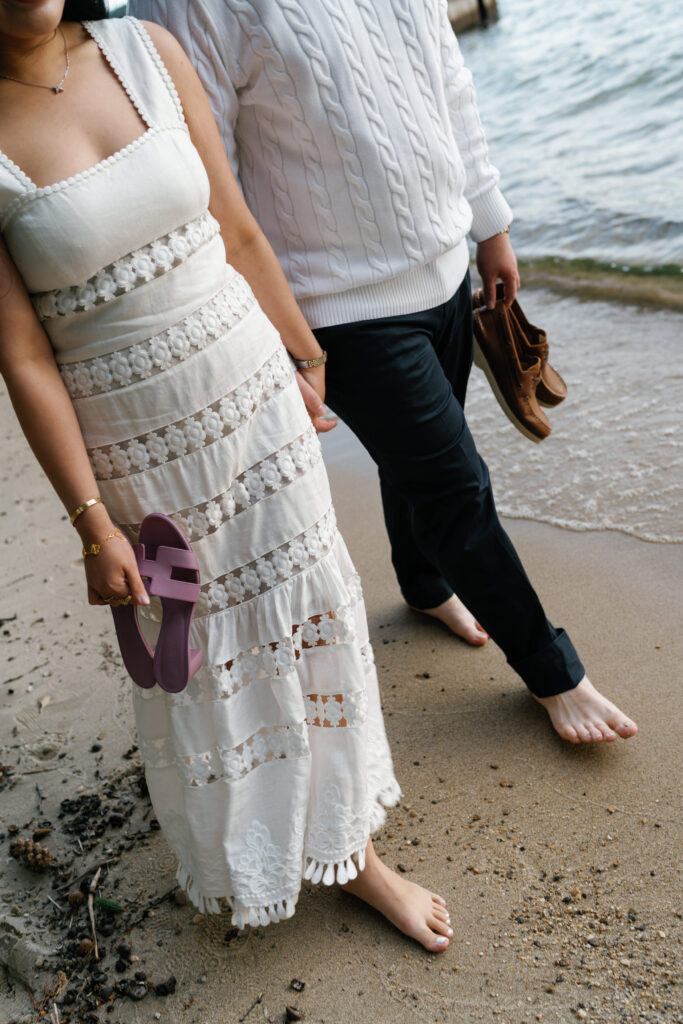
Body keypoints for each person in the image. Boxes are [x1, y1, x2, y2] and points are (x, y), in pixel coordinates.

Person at [0, 0, 455, 951]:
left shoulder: (146, 49)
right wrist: (92, 523)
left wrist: (303, 351)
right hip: (136, 445)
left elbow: (237, 228)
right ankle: (252, 838)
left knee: (302, 609)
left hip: (250, 393)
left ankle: (355, 855)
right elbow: (25, 357)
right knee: (200, 653)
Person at [131, 0, 638, 745]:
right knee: (456, 486)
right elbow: (211, 177)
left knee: (427, 463)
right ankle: (554, 673)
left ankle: (425, 586)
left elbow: (448, 84)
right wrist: (271, 330)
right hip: (334, 308)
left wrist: (488, 222)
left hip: (444, 270)